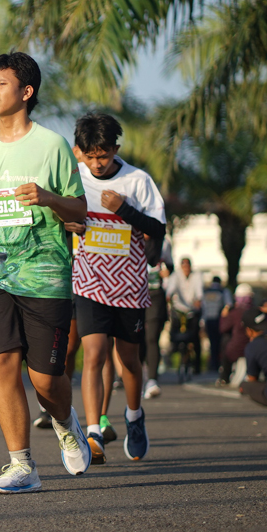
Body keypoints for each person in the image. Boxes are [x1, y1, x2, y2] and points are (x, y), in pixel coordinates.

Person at [0, 52, 90, 494]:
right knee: (1, 364)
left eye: (1, 84)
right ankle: (21, 465)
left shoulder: (52, 146)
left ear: (26, 92)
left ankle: (65, 423)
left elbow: (80, 210)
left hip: (44, 273)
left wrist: (49, 198)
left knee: (45, 379)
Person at [66, 113, 165, 464]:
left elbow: (158, 229)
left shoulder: (138, 181)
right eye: (91, 156)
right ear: (79, 152)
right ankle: (93, 433)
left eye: (104, 156)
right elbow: (59, 216)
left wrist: (123, 209)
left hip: (129, 286)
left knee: (129, 360)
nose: (97, 164)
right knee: (93, 354)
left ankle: (135, 417)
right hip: (88, 281)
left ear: (116, 149)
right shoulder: (74, 179)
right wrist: (69, 224)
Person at [143, 242, 173, 398]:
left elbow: (170, 266)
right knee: (136, 339)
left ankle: (152, 380)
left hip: (155, 294)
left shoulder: (164, 242)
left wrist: (167, 271)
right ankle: (132, 376)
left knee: (152, 337)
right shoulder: (128, 232)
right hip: (132, 293)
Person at [166, 257, 204, 374]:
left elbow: (199, 291)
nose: (186, 269)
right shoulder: (175, 276)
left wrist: (198, 299)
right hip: (178, 309)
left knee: (195, 337)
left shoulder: (197, 276)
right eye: (184, 266)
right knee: (173, 334)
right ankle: (171, 355)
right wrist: (169, 295)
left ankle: (196, 365)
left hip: (192, 310)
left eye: (188, 266)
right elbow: (171, 288)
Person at [218, 283, 256, 384]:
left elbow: (223, 328)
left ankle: (224, 376)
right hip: (254, 348)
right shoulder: (256, 311)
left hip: (236, 350)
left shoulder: (235, 313)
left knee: (225, 340)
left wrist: (224, 316)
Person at [202, 276, 229, 374]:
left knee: (212, 342)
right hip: (219, 320)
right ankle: (219, 363)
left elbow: (203, 308)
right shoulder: (223, 291)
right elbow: (228, 305)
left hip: (208, 320)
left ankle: (213, 363)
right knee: (220, 342)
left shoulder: (206, 292)